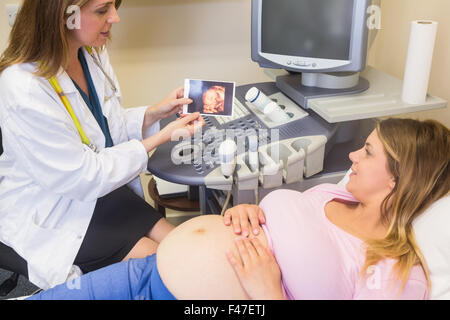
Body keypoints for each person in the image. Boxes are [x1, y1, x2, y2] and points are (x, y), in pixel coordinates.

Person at [26, 118, 449, 300]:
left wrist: (268, 292)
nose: (354, 155)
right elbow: (282, 230)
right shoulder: (333, 196)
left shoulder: (397, 272)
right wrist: (246, 215)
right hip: (149, 272)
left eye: (368, 152)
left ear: (397, 177)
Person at [0, 0, 205, 289]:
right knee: (174, 272)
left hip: (102, 192)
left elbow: (104, 125)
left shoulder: (90, 54)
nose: (115, 18)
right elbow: (80, 175)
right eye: (102, 10)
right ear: (62, 15)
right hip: (56, 209)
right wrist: (160, 137)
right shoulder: (22, 86)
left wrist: (155, 112)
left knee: (194, 249)